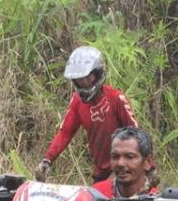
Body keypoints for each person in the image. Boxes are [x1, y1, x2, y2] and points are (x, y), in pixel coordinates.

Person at [34, 46, 139, 183]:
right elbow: (65, 132)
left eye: (87, 77)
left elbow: (137, 135)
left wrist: (149, 167)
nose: (84, 82)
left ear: (98, 74)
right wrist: (48, 159)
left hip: (124, 170)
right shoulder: (77, 102)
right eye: (79, 79)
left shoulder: (116, 98)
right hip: (100, 172)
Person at [93, 127, 178, 201]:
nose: (120, 163)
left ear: (147, 162)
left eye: (129, 157)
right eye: (115, 156)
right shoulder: (95, 195)